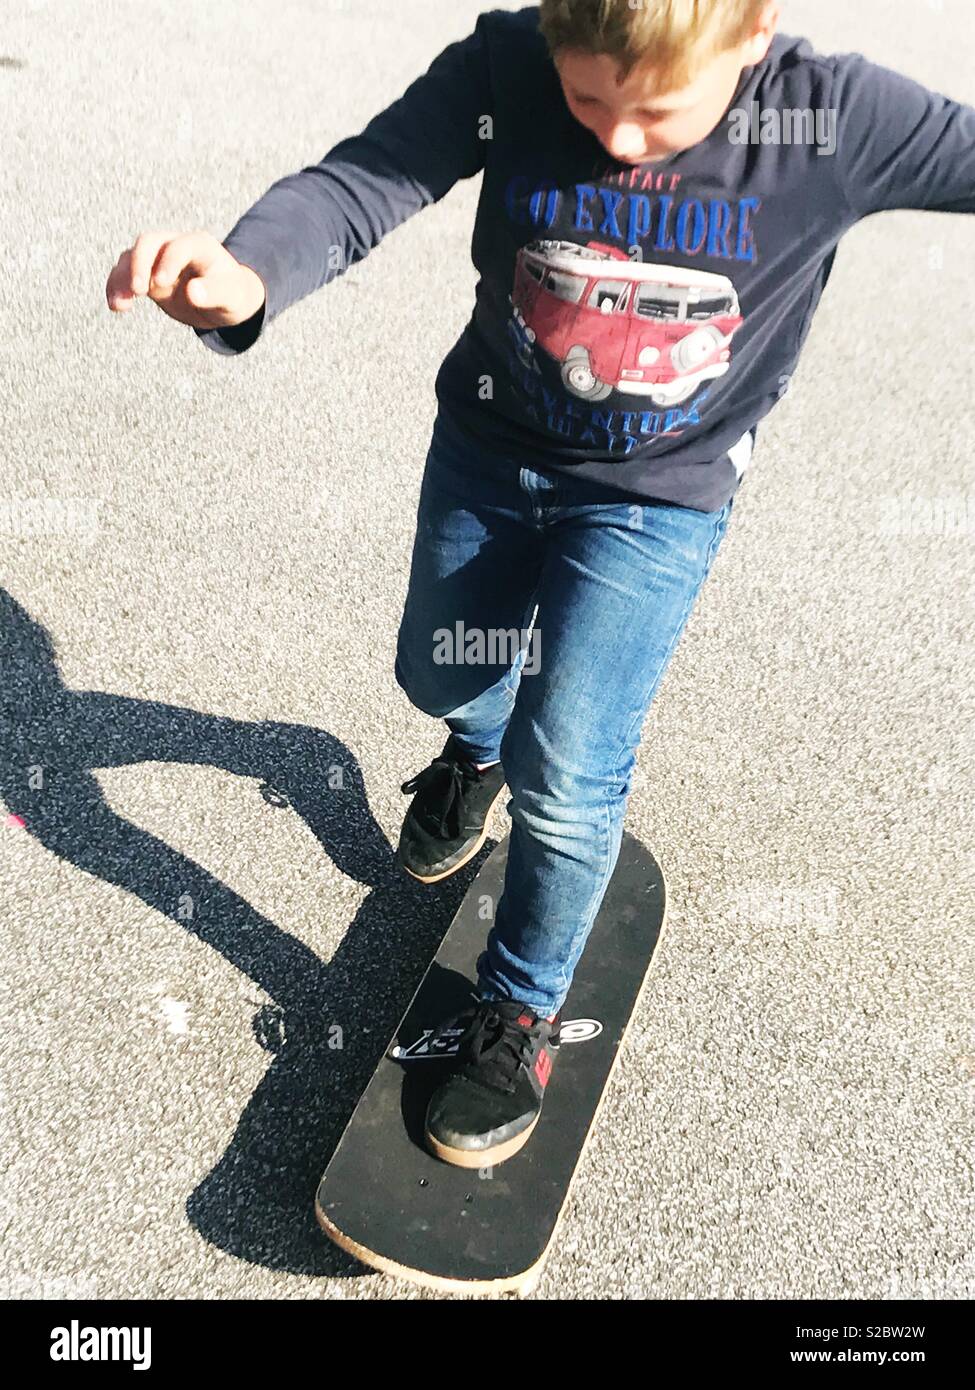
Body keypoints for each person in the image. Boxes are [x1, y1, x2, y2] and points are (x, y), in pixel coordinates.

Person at [105, 0, 975, 1169]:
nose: (616, 138)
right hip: (489, 446)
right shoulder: (510, 62)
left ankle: (518, 1010)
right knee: (437, 664)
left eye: (656, 109)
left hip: (659, 502)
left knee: (568, 768)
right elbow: (370, 178)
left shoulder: (833, 118)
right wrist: (247, 269)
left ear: (753, 34)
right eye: (586, 100)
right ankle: (472, 751)